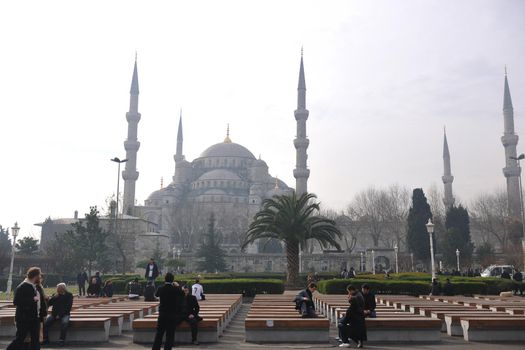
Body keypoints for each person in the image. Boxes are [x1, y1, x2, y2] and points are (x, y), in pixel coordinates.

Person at [6, 267, 42, 350]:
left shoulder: (33, 286)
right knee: (20, 338)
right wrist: (32, 299)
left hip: (33, 317)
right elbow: (16, 301)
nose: (40, 277)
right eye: (39, 275)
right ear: (36, 276)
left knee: (35, 339)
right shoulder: (23, 286)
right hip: (24, 318)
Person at [152, 273, 184, 350]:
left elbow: (156, 295)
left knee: (159, 334)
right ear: (173, 280)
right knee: (170, 335)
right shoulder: (175, 289)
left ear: (164, 279)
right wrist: (177, 286)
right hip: (172, 314)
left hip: (162, 314)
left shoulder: (160, 288)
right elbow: (183, 294)